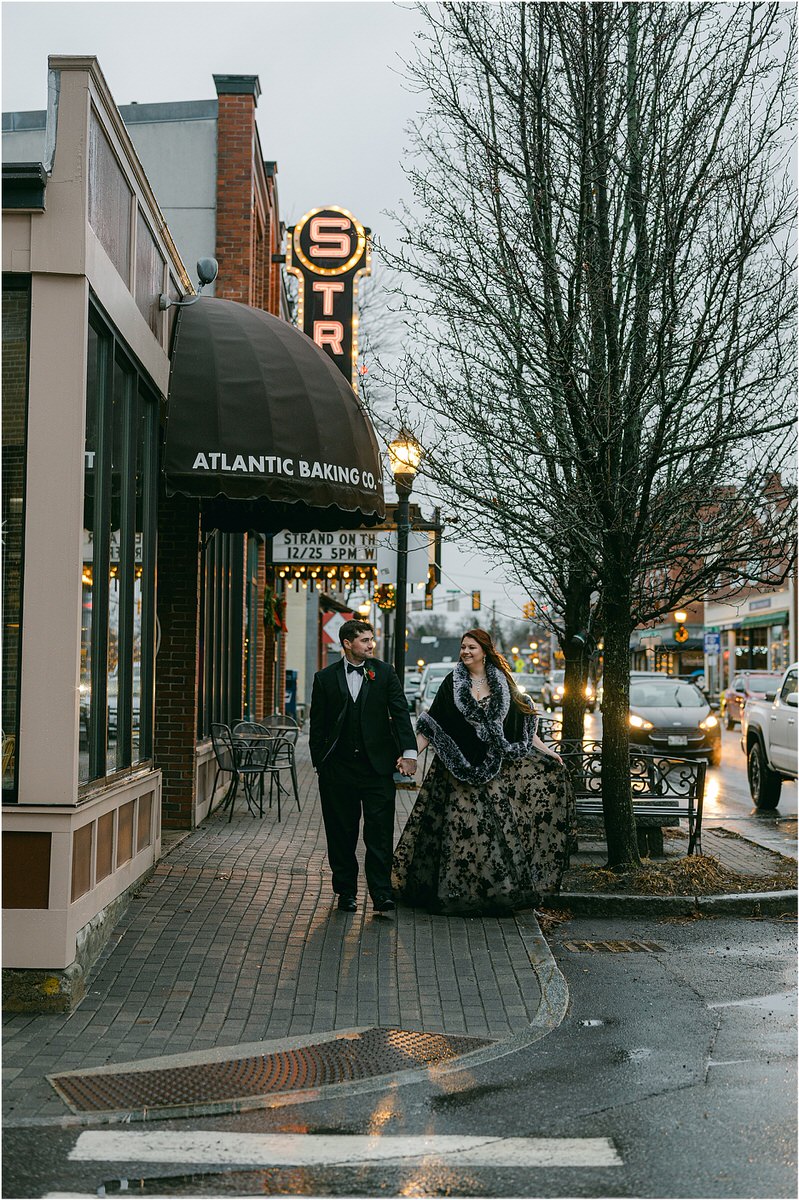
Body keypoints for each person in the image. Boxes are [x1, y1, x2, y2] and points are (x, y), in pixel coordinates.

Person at [392, 628, 575, 915]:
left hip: (493, 771)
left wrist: (547, 751)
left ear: (485, 651)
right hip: (456, 770)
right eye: (463, 647)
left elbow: (521, 726)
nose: (465, 652)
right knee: (458, 832)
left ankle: (490, 894)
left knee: (490, 833)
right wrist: (411, 755)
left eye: (471, 648)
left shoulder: (502, 683)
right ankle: (452, 893)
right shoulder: (452, 683)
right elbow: (432, 725)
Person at [310, 619, 417, 914]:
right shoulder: (325, 678)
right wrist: (321, 763)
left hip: (377, 770)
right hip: (338, 771)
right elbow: (317, 727)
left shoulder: (383, 673)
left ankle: (381, 893)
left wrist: (409, 752)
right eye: (365, 640)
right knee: (341, 834)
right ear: (347, 643)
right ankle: (346, 892)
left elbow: (400, 711)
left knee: (380, 834)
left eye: (372, 639)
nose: (371, 645)